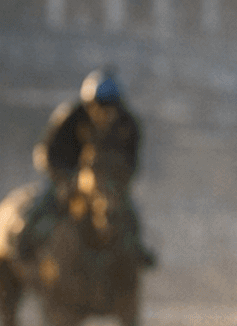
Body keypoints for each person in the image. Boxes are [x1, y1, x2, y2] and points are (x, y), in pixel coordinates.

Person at [17, 68, 155, 269]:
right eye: (99, 107)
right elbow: (46, 153)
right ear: (89, 104)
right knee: (45, 205)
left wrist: (120, 181)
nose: (104, 113)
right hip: (66, 176)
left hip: (108, 182)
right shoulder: (69, 117)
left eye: (110, 108)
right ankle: (24, 245)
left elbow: (132, 160)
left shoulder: (128, 125)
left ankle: (137, 250)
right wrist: (65, 179)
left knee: (128, 212)